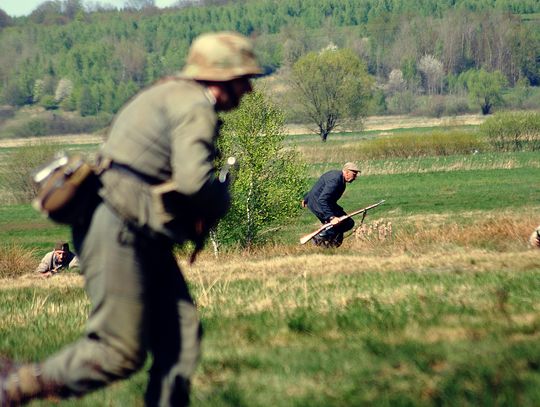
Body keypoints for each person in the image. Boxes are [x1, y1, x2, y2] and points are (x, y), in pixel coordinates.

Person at [0, 31, 261, 406]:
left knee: (179, 337)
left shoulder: (165, 92)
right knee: (118, 351)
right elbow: (193, 183)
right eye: (244, 79)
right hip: (119, 227)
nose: (248, 90)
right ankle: (13, 386)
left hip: (131, 227)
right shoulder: (195, 107)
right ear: (222, 78)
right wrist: (221, 196)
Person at [302, 162, 361, 247]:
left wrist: (306, 197)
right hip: (320, 205)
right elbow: (323, 199)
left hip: (322, 203)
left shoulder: (337, 177)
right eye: (354, 174)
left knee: (344, 224)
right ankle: (319, 237)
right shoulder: (336, 180)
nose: (355, 177)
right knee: (345, 223)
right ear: (347, 172)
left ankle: (328, 248)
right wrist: (331, 217)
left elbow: (319, 186)